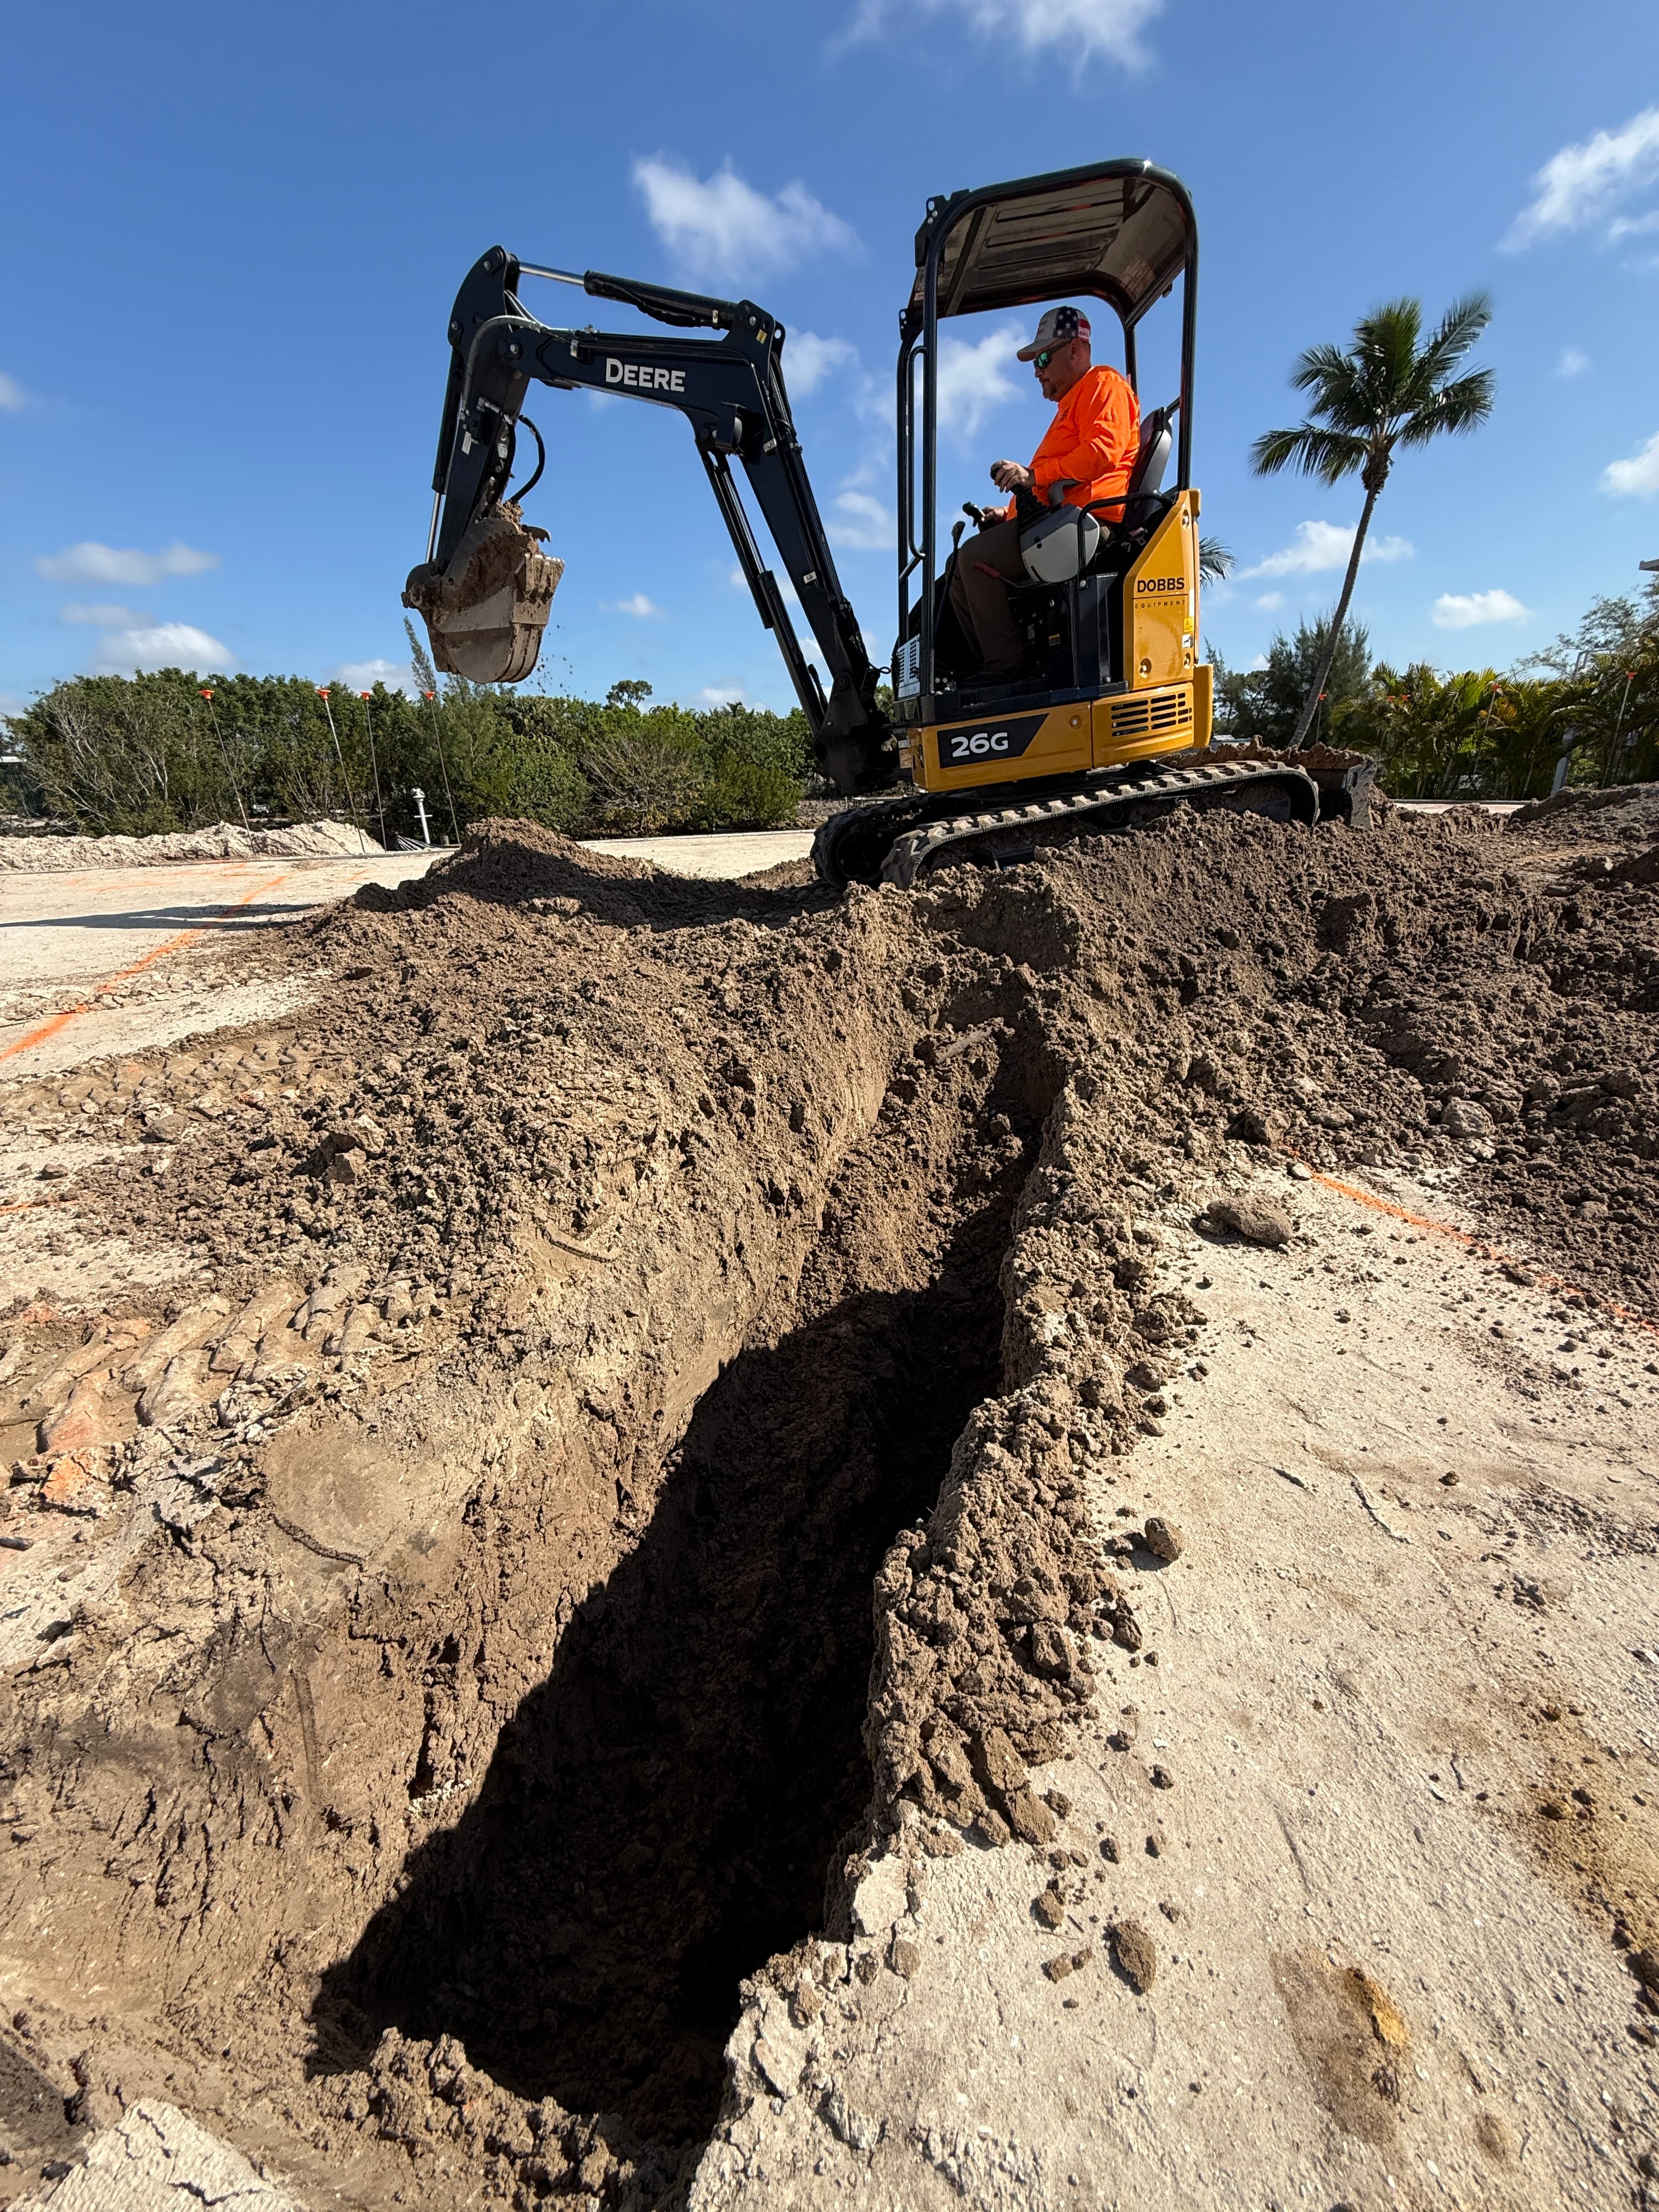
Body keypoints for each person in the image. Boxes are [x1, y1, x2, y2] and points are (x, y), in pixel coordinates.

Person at [948, 306, 1141, 681]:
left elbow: (1102, 452)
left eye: (1042, 358)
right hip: (1061, 521)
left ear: (1076, 350)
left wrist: (1033, 473)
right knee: (958, 570)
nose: (1037, 371)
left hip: (1089, 522)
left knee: (974, 560)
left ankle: (1007, 669)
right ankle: (989, 667)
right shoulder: (1071, 405)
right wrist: (1007, 516)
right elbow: (1048, 486)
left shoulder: (1104, 384)